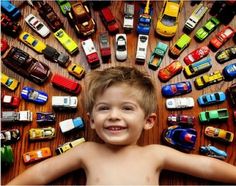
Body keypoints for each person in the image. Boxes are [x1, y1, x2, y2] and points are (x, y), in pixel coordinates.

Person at [7, 66, 236, 185]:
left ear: (149, 121)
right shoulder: (87, 151)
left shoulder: (156, 154)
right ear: (92, 121)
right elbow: (41, 173)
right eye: (104, 108)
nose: (113, 116)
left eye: (127, 108)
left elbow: (206, 167)